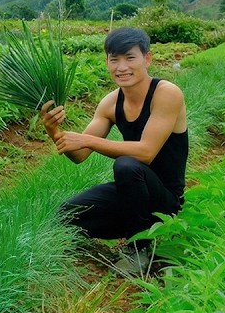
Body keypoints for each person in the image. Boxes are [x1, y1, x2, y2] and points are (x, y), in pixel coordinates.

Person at [40, 27, 188, 261]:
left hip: (165, 199)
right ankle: (131, 230)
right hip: (131, 194)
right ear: (107, 62)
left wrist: (87, 139)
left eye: (130, 58)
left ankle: (139, 252)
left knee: (126, 165)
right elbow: (79, 156)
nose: (121, 67)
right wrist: (53, 130)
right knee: (66, 215)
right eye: (114, 59)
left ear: (147, 59)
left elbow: (146, 153)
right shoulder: (110, 102)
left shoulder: (166, 93)